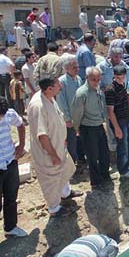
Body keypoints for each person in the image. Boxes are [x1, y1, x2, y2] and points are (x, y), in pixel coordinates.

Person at [28, 77, 83, 217]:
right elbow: (42, 135)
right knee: (51, 180)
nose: (60, 85)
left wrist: (63, 139)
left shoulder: (51, 98)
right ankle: (54, 208)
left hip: (59, 146)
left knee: (66, 169)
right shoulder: (38, 105)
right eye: (57, 84)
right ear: (49, 89)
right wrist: (53, 154)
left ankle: (65, 193)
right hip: (48, 152)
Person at [72, 67, 111, 188]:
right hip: (87, 128)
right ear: (87, 78)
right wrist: (76, 128)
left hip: (98, 125)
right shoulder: (81, 93)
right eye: (94, 79)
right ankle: (96, 181)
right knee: (92, 155)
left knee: (104, 153)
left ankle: (105, 176)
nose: (96, 82)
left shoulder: (97, 89)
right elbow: (77, 113)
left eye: (98, 79)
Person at [0, 96, 28, 237]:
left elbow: (20, 124)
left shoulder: (9, 114)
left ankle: (10, 227)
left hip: (10, 162)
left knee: (11, 197)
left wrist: (22, 144)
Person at [105, 65, 129, 178]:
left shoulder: (123, 85)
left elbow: (125, 101)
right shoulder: (110, 90)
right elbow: (110, 111)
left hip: (127, 118)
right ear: (114, 76)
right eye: (118, 78)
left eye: (122, 77)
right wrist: (117, 128)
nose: (120, 80)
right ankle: (123, 171)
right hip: (119, 121)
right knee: (122, 146)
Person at [56, 55, 84, 164]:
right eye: (74, 68)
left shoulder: (79, 79)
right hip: (70, 119)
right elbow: (61, 102)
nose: (77, 69)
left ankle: (81, 160)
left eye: (77, 67)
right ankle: (72, 165)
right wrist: (67, 119)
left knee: (81, 140)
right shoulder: (62, 82)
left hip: (80, 116)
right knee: (71, 142)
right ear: (67, 69)